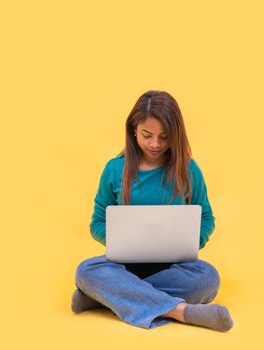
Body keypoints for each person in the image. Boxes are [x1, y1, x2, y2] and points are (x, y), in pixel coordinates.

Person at [72, 90, 234, 332]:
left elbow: (207, 217)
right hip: (124, 266)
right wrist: (120, 242)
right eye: (147, 135)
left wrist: (190, 242)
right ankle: (181, 312)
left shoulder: (188, 169)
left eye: (164, 137)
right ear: (134, 128)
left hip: (174, 268)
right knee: (86, 270)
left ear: (176, 135)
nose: (155, 144)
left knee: (208, 278)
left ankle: (103, 298)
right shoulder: (116, 169)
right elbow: (97, 222)